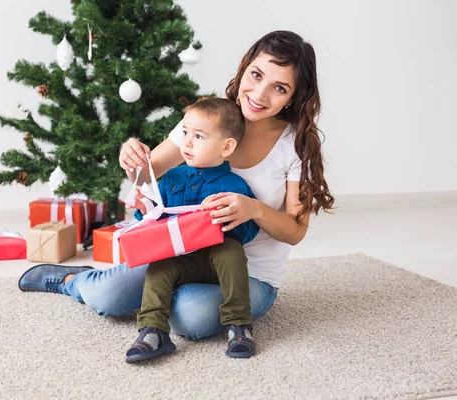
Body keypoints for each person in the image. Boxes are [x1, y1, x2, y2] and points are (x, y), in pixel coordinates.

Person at [18, 30, 334, 349]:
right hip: (182, 250)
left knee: (189, 317)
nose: (260, 94)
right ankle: (75, 280)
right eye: (256, 75)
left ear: (292, 97)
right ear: (244, 67)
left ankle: (165, 293)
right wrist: (132, 156)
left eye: (279, 88)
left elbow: (295, 231)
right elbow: (148, 175)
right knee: (105, 296)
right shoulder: (210, 117)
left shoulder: (295, 145)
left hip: (250, 275)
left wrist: (254, 209)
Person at [126, 98, 259, 362]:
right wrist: (144, 207)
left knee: (230, 250)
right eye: (185, 132)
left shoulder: (234, 186)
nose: (186, 142)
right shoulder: (173, 178)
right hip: (181, 260)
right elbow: (155, 220)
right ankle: (153, 331)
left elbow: (246, 234)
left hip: (215, 263)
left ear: (226, 147)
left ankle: (239, 326)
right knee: (158, 265)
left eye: (198, 136)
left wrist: (227, 216)